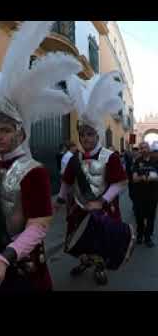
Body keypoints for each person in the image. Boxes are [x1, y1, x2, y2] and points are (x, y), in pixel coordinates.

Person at [0, 21, 82, 292]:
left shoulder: (34, 171)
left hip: (22, 263)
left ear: (21, 133)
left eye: (6, 129)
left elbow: (39, 226)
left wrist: (6, 257)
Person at [56, 72, 129, 286]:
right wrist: (60, 199)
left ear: (97, 135)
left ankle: (100, 267)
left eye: (90, 134)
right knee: (79, 240)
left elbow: (119, 183)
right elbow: (67, 181)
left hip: (104, 207)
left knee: (102, 241)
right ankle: (85, 260)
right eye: (83, 135)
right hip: (79, 207)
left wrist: (102, 201)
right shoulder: (74, 158)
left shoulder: (111, 157)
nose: (86, 138)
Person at [132, 142, 158, 247]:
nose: (143, 150)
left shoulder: (155, 161)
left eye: (145, 148)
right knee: (139, 217)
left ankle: (148, 238)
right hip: (139, 195)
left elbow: (157, 177)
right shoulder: (137, 162)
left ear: (149, 149)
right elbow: (134, 178)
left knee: (151, 217)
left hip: (152, 195)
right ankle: (139, 235)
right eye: (141, 148)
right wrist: (146, 178)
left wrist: (145, 177)